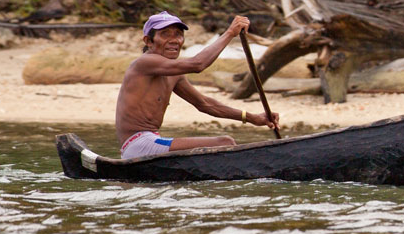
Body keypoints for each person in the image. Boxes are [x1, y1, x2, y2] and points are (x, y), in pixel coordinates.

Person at [115, 10, 280, 160]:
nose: (173, 40)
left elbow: (205, 104)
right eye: (165, 34)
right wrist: (230, 33)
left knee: (224, 144)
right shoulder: (145, 62)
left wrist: (254, 118)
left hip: (152, 142)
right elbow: (198, 64)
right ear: (149, 41)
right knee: (224, 142)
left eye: (178, 35)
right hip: (138, 145)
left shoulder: (174, 73)